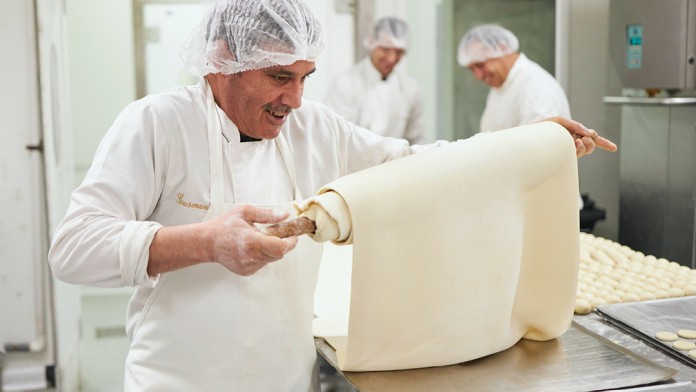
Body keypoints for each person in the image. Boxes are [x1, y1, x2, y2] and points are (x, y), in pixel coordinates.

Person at [47, 1, 616, 391]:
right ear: (222, 62)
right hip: (178, 382)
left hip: (288, 380)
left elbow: (415, 165)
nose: (294, 99)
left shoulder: (314, 128)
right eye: (278, 77)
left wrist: (529, 145)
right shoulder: (157, 125)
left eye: (305, 77)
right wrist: (205, 242)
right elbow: (72, 248)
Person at [324, 17, 426, 144]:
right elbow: (337, 137)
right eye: (386, 49)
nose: (392, 59)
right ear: (372, 44)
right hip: (356, 163)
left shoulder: (411, 88)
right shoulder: (345, 83)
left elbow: (416, 138)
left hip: (398, 162)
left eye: (399, 52)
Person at [457, 24, 571, 133]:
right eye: (472, 69)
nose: (478, 76)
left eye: (480, 65)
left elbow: (539, 147)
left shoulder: (535, 89)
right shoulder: (503, 84)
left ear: (502, 48)